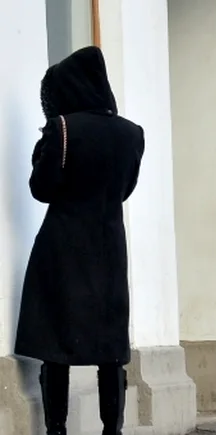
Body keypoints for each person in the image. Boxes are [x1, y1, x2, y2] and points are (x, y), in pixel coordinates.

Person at [15, 46, 144, 435]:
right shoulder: (131, 134)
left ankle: (56, 429)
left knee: (57, 346)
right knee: (111, 349)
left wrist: (44, 150)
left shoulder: (63, 129)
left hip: (64, 247)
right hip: (109, 248)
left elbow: (42, 188)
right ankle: (112, 429)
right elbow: (125, 189)